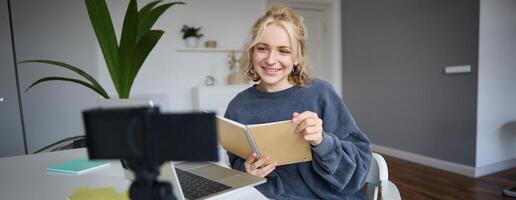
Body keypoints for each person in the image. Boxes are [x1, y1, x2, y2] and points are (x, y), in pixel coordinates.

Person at [224, 5, 372, 200]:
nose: (271, 59)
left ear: (298, 57)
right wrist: (247, 171)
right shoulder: (238, 105)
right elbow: (236, 164)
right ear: (252, 52)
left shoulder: (321, 93)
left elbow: (358, 170)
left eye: (284, 51)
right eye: (262, 48)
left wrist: (321, 141)